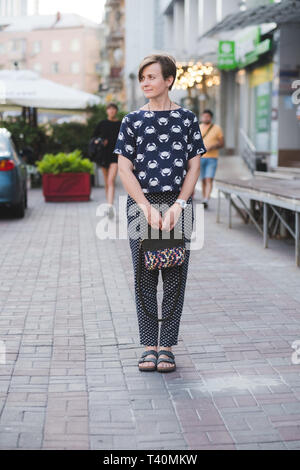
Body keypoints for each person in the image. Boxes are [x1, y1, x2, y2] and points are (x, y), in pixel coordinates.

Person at [113, 53, 207, 373]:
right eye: (142, 78)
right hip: (142, 202)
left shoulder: (187, 119)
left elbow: (194, 165)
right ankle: (149, 345)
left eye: (151, 77)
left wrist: (179, 205)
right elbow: (124, 168)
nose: (145, 83)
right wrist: (145, 207)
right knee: (144, 277)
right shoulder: (132, 121)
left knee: (174, 276)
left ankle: (166, 345)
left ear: (168, 80)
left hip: (179, 203)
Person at [92, 102, 121, 218]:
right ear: (107, 111)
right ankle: (109, 204)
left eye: (113, 109)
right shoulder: (102, 124)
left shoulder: (120, 124)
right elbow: (93, 138)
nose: (111, 111)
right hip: (103, 155)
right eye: (109, 109)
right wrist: (100, 141)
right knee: (106, 182)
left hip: (115, 156)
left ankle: (110, 206)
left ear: (116, 111)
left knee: (110, 181)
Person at [196, 109, 224, 209]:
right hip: (200, 158)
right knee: (203, 180)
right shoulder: (198, 127)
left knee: (209, 179)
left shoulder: (217, 128)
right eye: (204, 116)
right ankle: (204, 198)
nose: (205, 118)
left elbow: (222, 144)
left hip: (212, 158)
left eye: (207, 116)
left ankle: (206, 199)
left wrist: (214, 146)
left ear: (211, 117)